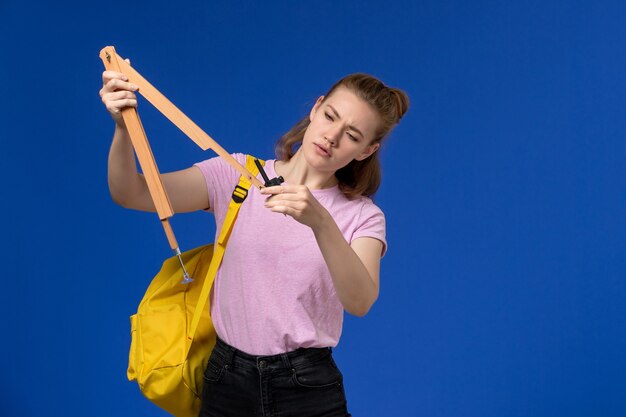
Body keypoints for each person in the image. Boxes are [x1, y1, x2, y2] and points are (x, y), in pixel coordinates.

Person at [100, 67, 409, 417]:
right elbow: (131, 193)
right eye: (330, 116)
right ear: (316, 108)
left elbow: (360, 302)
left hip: (306, 387)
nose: (332, 136)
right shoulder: (238, 176)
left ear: (367, 150)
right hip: (225, 378)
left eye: (352, 135)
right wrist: (123, 127)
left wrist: (320, 223)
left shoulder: (362, 217)